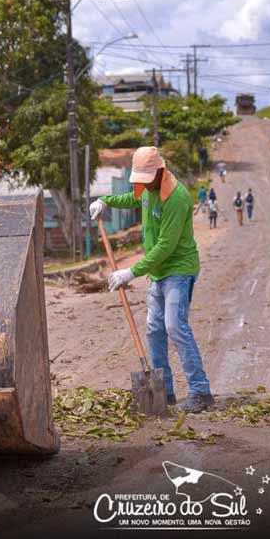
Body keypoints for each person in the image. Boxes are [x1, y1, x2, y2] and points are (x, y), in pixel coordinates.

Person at [89, 146, 214, 413]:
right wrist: (106, 200)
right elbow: (132, 199)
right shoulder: (147, 190)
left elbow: (165, 247)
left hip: (179, 269)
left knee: (174, 326)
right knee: (154, 330)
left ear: (160, 171)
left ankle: (200, 391)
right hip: (157, 272)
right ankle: (164, 393)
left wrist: (131, 271)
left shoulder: (177, 198)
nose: (144, 185)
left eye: (148, 179)